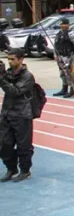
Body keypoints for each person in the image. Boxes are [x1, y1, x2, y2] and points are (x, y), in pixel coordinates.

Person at [0, 49, 36, 182]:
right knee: (4, 144)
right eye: (8, 59)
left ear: (21, 59)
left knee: (23, 145)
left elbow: (15, 91)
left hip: (22, 114)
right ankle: (11, 168)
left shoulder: (27, 76)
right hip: (7, 113)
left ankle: (25, 170)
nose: (10, 62)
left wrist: (2, 80)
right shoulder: (9, 74)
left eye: (13, 59)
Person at [51, 18, 74, 97]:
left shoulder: (71, 33)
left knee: (69, 73)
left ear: (68, 25)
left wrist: (73, 55)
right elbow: (55, 45)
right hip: (60, 56)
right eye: (61, 24)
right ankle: (64, 88)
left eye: (64, 24)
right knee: (62, 73)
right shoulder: (58, 34)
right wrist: (55, 54)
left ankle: (72, 89)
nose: (63, 26)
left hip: (68, 56)